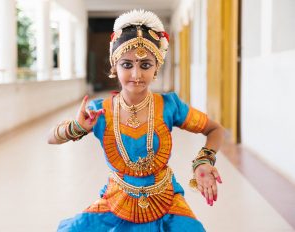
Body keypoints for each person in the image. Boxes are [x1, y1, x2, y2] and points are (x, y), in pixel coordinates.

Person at [47, 9, 225, 232]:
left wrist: (204, 161)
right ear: (115, 66)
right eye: (127, 65)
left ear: (157, 67)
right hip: (116, 200)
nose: (137, 75)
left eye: (145, 65)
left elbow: (215, 129)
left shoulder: (170, 105)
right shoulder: (99, 110)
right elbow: (50, 138)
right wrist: (76, 128)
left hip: (166, 199)